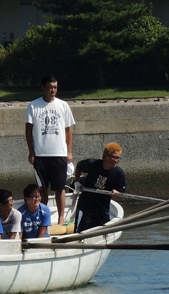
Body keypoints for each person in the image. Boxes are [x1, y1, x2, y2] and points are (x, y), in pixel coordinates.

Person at [25, 74, 74, 225]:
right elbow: (28, 131)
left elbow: (68, 130)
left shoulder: (63, 105)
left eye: (55, 87)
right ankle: (43, 217)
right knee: (42, 189)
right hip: (40, 154)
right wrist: (31, 152)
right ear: (43, 88)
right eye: (50, 88)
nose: (53, 91)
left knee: (59, 188)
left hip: (59, 153)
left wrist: (69, 151)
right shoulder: (33, 106)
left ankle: (60, 218)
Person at [73, 142, 126, 232]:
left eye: (118, 158)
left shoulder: (119, 173)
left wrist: (116, 194)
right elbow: (79, 166)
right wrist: (77, 181)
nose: (116, 160)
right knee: (80, 233)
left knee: (102, 233)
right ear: (105, 156)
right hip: (86, 208)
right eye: (114, 157)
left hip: (102, 211)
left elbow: (119, 195)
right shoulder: (93, 164)